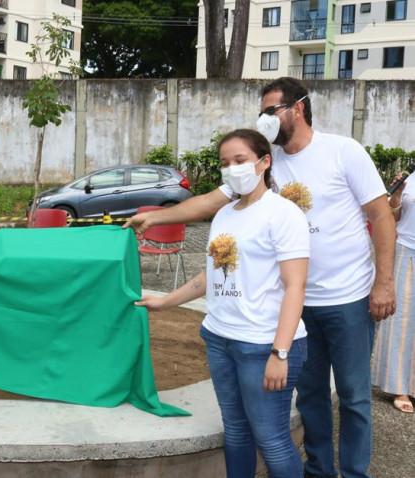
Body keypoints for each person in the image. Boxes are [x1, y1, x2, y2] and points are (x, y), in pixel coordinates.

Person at [126, 77, 395, 478]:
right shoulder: (261, 167)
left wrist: (384, 283)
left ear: (298, 108)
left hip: (346, 295)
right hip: (294, 306)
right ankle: (319, 469)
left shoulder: (343, 152)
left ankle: (355, 473)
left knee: (354, 396)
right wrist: (154, 216)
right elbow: (206, 205)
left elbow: (381, 215)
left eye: (271, 110)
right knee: (312, 396)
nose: (265, 119)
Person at [138, 129, 310, 477]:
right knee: (235, 430)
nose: (232, 169)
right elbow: (212, 277)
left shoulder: (283, 213)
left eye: (240, 160)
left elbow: (296, 286)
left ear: (264, 162)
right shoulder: (225, 214)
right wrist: (165, 301)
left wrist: (281, 353)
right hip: (219, 338)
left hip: (262, 345)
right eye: (225, 163)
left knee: (272, 438)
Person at [371, 171, 415, 413]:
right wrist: (396, 194)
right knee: (402, 320)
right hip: (406, 249)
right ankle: (400, 386)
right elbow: (391, 215)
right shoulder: (411, 178)